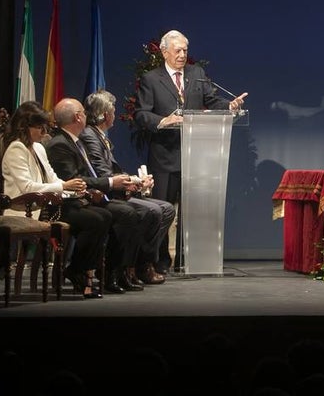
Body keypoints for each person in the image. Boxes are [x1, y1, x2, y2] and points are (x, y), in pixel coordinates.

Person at [132, 29, 247, 276]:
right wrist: (165, 121)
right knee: (162, 210)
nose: (183, 55)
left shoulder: (197, 75)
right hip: (165, 156)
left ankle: (187, 261)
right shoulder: (152, 79)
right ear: (164, 52)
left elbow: (213, 102)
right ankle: (160, 261)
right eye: (178, 50)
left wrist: (230, 106)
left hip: (197, 157)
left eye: (185, 50)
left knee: (193, 212)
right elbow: (141, 114)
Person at [0, 100, 111, 299]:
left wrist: (78, 190)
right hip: (25, 208)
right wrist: (64, 186)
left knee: (103, 215)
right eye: (39, 127)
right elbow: (27, 188)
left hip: (48, 205)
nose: (44, 132)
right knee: (94, 221)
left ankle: (77, 268)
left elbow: (53, 179)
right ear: (25, 126)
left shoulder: (39, 148)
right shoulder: (16, 149)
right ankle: (76, 270)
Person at [47, 97, 146, 294]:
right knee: (110, 216)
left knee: (119, 214)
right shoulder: (60, 144)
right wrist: (109, 183)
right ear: (78, 117)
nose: (87, 116)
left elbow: (84, 178)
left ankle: (110, 271)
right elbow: (72, 180)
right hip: (62, 205)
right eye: (83, 112)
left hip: (84, 198)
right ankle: (85, 270)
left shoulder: (74, 141)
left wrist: (98, 189)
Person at [80, 89, 175, 287]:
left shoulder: (100, 135)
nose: (114, 114)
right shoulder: (90, 136)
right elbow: (102, 173)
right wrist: (132, 183)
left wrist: (137, 181)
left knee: (166, 209)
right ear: (106, 114)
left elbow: (113, 169)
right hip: (104, 195)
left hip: (116, 189)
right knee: (153, 210)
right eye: (113, 110)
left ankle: (141, 263)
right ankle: (132, 266)